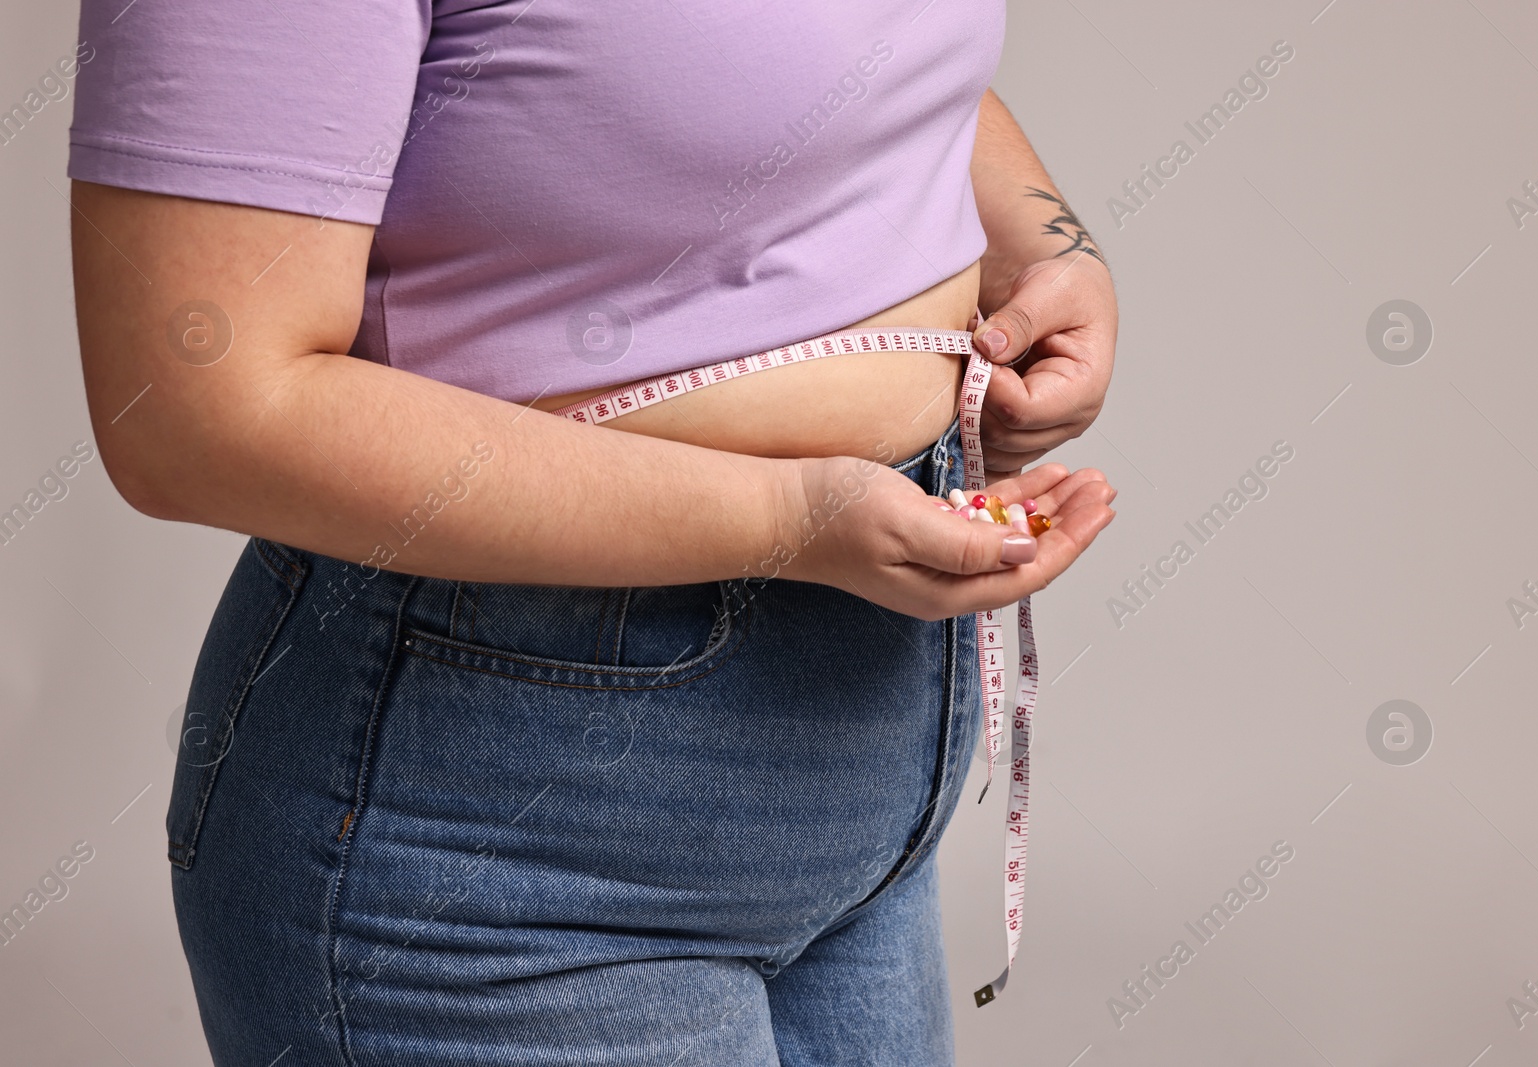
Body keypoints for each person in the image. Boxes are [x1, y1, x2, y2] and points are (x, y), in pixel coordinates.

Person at [68, 0, 1118, 1062]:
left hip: (869, 796)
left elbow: (848, 67)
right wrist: (784, 518)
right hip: (500, 853)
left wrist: (1043, 250)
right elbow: (190, 418)